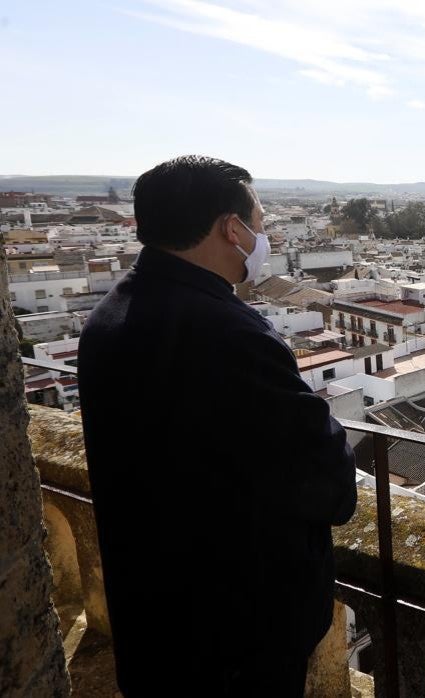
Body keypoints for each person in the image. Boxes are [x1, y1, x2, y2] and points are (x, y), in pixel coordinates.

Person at [77, 156, 358, 697]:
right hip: (239, 635)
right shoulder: (229, 334)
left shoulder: (108, 318)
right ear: (233, 229)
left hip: (154, 615)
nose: (265, 233)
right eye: (259, 219)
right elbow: (327, 483)